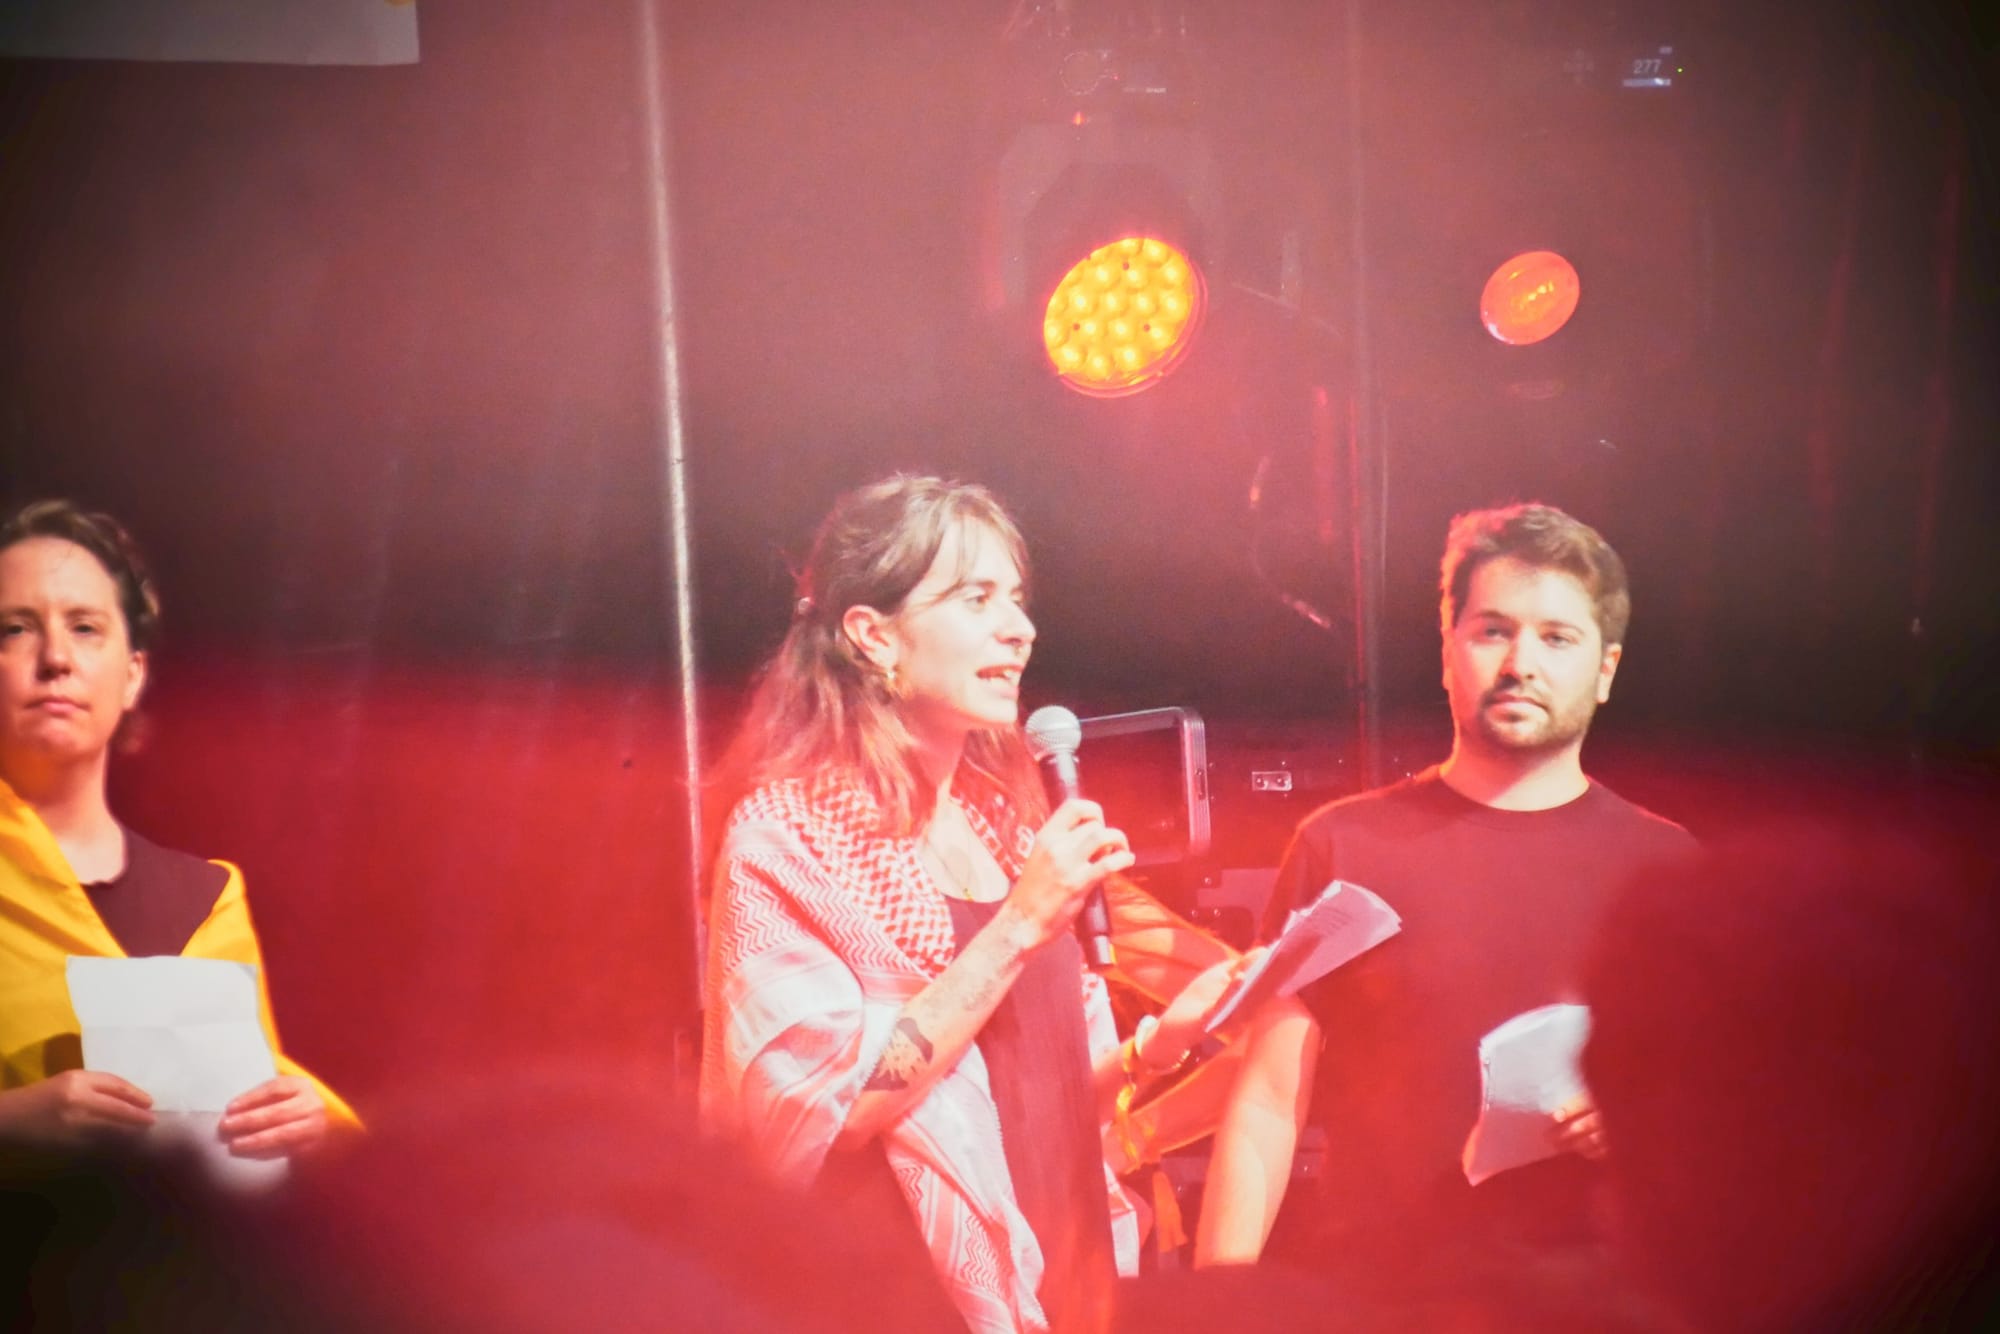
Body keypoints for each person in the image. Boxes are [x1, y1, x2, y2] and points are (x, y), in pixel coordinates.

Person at [700, 475, 1251, 1334]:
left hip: (1067, 1276)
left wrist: (1158, 1046)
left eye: (1017, 599)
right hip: (902, 1300)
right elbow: (833, 1109)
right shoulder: (791, 840)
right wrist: (1021, 925)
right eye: (976, 598)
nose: (1019, 627)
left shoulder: (1005, 833)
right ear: (874, 636)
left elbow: (1041, 1098)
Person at [1196, 503, 1696, 1304]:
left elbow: (1719, 1115)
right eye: (1493, 631)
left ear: (1605, 670)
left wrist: (1640, 1121)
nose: (1520, 662)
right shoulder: (1343, 845)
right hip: (1382, 1298)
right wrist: (1216, 1306)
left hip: (1596, 1301)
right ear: (1447, 650)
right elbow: (1267, 1102)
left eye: (1557, 638)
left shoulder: (1667, 869)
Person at [0, 500, 358, 1160]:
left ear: (132, 675)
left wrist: (300, 1123)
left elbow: (252, 1120)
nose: (55, 658)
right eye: (15, 629)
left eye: (85, 627)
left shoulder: (206, 898)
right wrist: (12, 1121)